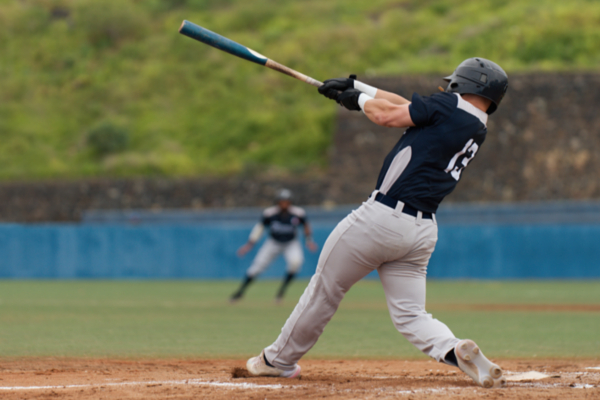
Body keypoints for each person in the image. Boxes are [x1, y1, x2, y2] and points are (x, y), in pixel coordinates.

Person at [245, 58, 509, 388]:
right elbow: (410, 107)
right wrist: (360, 88)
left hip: (379, 221)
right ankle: (455, 350)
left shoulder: (447, 106)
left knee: (325, 291)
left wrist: (356, 102)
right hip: (421, 231)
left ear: (464, 83)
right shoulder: (475, 125)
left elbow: (386, 115)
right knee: (412, 315)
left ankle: (276, 361)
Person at [230, 189, 318, 303]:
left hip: (291, 243)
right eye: (282, 201)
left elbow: (306, 225)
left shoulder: (298, 213)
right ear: (277, 202)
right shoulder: (270, 213)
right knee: (257, 267)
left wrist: (309, 240)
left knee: (296, 263)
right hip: (273, 242)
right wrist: (250, 244)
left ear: (290, 202)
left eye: (286, 201)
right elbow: (260, 228)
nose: (284, 204)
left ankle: (281, 293)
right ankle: (240, 292)